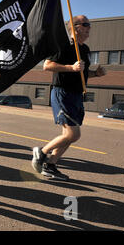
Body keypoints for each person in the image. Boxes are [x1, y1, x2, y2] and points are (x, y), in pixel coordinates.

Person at [32, 15, 106, 181]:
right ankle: (42, 152)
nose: (89, 28)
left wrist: (95, 74)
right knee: (73, 134)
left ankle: (50, 165)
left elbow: (81, 73)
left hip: (76, 95)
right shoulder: (63, 44)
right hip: (62, 93)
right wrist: (71, 67)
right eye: (85, 24)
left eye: (89, 24)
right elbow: (47, 65)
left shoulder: (85, 49)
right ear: (75, 27)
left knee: (70, 135)